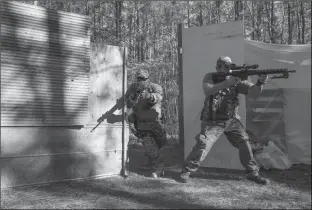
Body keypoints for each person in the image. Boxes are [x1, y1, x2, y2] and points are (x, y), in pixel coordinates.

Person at [179, 56, 270, 185]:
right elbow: (208, 90)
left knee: (245, 143)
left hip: (231, 120)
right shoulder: (210, 77)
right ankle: (187, 170)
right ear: (218, 67)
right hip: (212, 120)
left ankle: (252, 172)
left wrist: (260, 83)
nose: (229, 69)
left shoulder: (236, 80)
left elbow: (254, 93)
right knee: (203, 145)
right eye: (226, 66)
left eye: (230, 66)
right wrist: (228, 82)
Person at [125, 69, 167, 178]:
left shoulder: (154, 87)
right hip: (141, 122)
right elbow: (127, 102)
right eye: (139, 79)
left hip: (155, 121)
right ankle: (158, 167)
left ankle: (155, 164)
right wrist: (132, 97)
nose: (141, 81)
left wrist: (149, 96)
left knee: (158, 144)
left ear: (148, 78)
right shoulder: (133, 88)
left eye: (143, 79)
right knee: (148, 143)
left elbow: (158, 97)